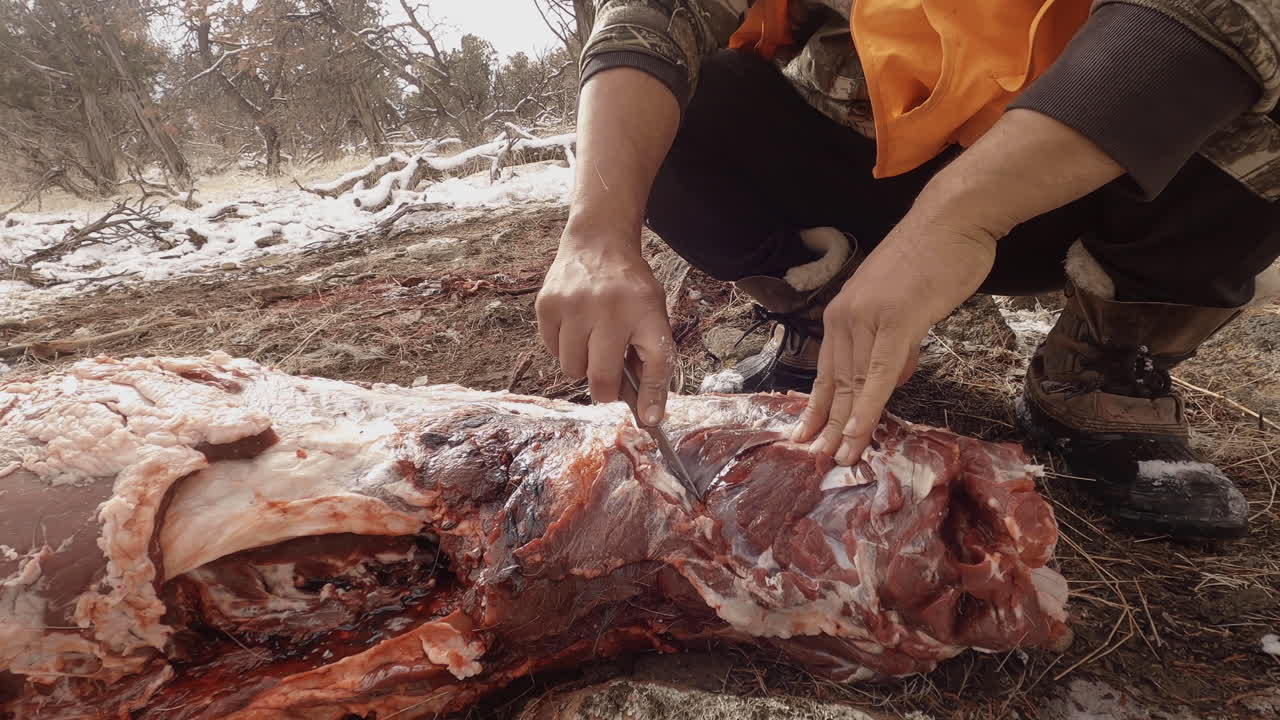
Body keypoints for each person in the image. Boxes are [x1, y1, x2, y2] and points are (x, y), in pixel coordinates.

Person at [534, 0, 1280, 539]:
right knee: (678, 101)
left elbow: (1228, 16)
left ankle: (1103, 367)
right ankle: (829, 330)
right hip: (853, 159)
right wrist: (598, 229)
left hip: (1086, 172)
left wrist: (958, 218)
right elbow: (656, 13)